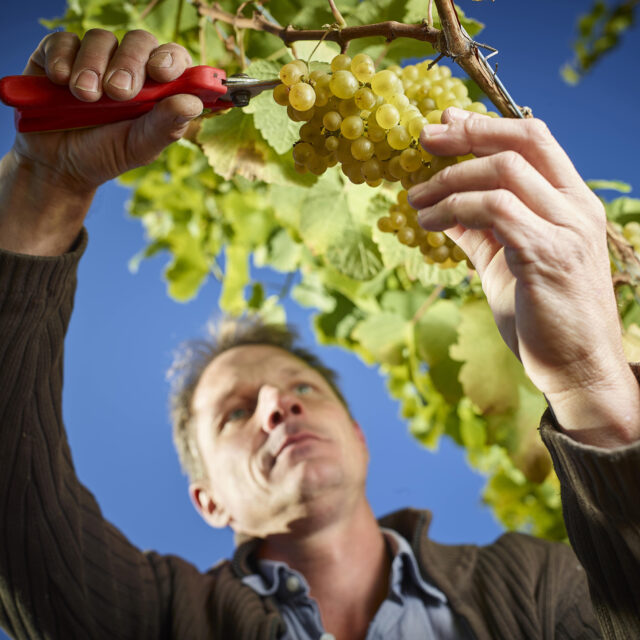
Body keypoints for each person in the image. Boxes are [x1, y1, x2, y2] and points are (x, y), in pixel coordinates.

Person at [0, 28, 639, 640]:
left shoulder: (536, 587)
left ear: (359, 437)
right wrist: (42, 190)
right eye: (235, 413)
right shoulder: (159, 623)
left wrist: (588, 380)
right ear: (209, 501)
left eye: (300, 385)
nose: (279, 404)